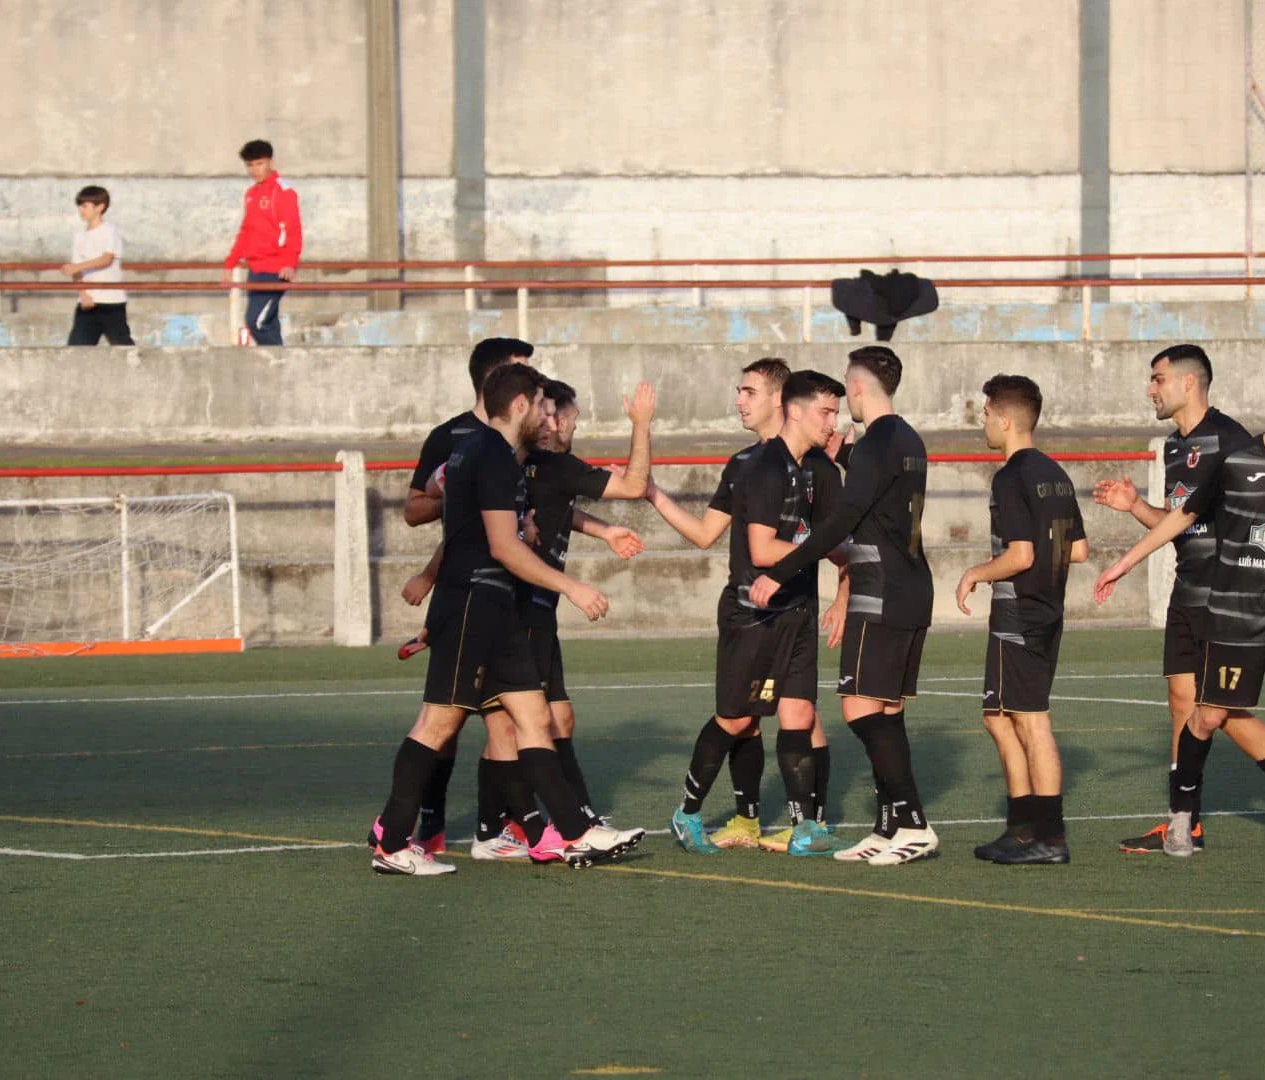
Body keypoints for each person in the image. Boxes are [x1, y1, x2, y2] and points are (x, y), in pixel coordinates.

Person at [368, 364, 643, 875]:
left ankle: (576, 833)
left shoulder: (488, 455)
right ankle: (391, 840)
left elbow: (441, 486)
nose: (549, 415)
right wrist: (571, 586)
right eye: (542, 404)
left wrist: (513, 521)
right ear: (520, 406)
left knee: (534, 719)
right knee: (438, 722)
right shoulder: (491, 454)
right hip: (473, 602)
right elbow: (499, 547)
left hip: (496, 610)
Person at [1094, 362, 1265, 863]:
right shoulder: (1220, 459)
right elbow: (1183, 519)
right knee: (1206, 714)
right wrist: (1124, 558)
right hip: (1230, 609)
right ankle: (1183, 818)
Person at [751, 345, 938, 865]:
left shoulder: (879, 439)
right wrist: (845, 457)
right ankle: (889, 827)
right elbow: (882, 489)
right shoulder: (907, 438)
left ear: (856, 388)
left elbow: (842, 521)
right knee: (887, 711)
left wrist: (781, 570)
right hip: (911, 586)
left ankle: (916, 823)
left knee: (858, 710)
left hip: (879, 588)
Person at [645, 358, 840, 854]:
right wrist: (653, 495)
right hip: (751, 613)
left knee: (799, 712)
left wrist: (842, 591)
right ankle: (699, 814)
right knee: (740, 719)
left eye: (748, 391)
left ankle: (807, 825)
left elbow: (837, 540)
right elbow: (711, 535)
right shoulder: (749, 465)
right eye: (739, 391)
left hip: (795, 610)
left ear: (781, 400)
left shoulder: (813, 464)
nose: (739, 401)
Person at [955, 375, 1087, 865]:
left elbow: (1020, 554)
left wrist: (976, 573)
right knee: (997, 716)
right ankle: (1021, 827)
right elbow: (1077, 550)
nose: (983, 422)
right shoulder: (1056, 472)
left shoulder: (1010, 476)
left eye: (987, 413)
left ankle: (1050, 838)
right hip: (1047, 610)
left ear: (1006, 419)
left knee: (1031, 721)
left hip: (1020, 613)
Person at [223, 139, 301, 346]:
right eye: (250, 165)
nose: (255, 170)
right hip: (255, 268)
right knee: (269, 321)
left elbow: (293, 230)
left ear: (270, 162)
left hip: (276, 269)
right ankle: (280, 369)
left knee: (256, 322)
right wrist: (230, 263)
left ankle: (281, 365)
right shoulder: (251, 194)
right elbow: (246, 231)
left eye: (260, 164)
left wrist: (289, 263)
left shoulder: (283, 192)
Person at [60, 186, 133, 346]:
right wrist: (83, 294)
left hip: (111, 302)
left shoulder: (110, 231)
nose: (81, 210)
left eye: (85, 206)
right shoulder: (79, 236)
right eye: (80, 206)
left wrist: (77, 267)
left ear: (100, 207)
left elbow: (106, 258)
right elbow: (76, 269)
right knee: (76, 349)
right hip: (87, 304)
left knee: (123, 347)